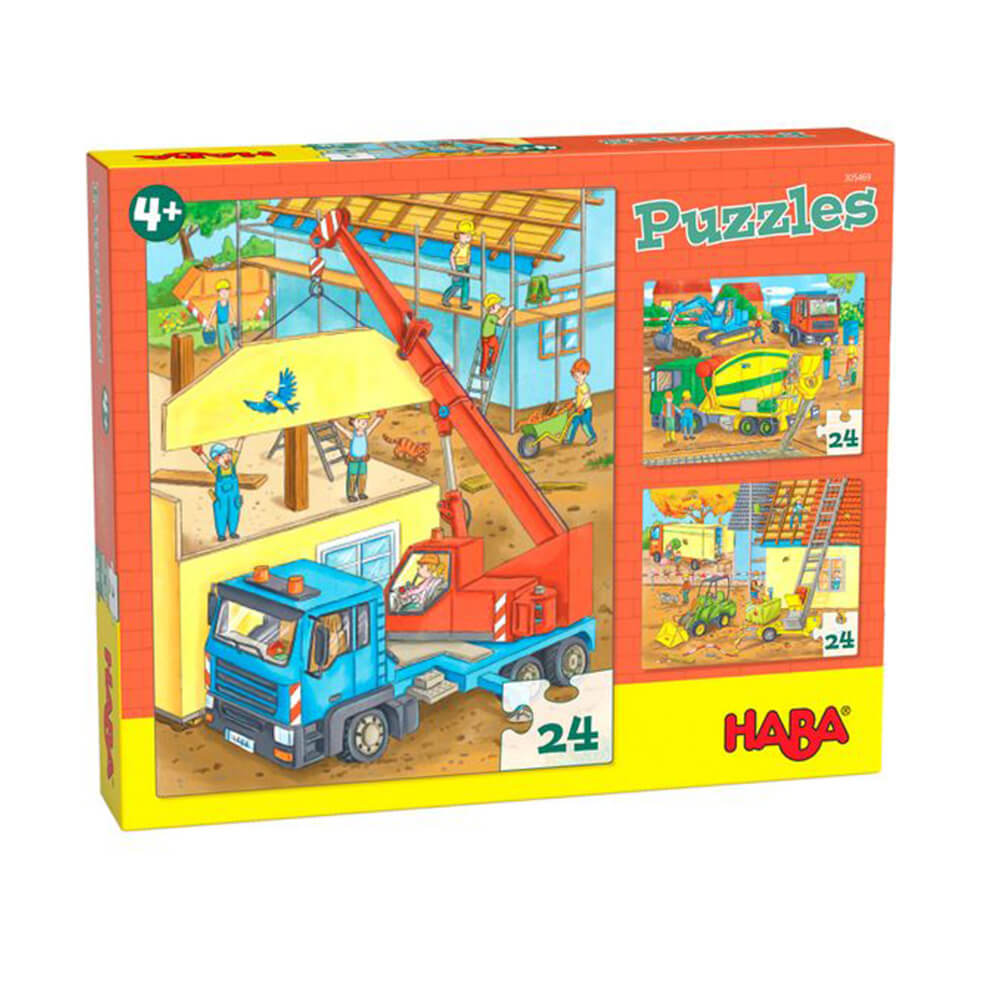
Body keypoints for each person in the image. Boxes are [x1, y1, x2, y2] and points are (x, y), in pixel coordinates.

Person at [193, 438, 245, 542]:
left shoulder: (233, 464)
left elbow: (237, 450)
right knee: (221, 513)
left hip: (233, 496)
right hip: (221, 499)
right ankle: (221, 534)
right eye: (224, 455)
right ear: (217, 459)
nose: (228, 457)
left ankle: (233, 532)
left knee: (234, 511)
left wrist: (241, 439)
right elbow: (207, 462)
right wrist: (200, 453)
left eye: (228, 454)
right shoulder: (216, 469)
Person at [333, 411, 385, 502]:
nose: (362, 424)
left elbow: (373, 425)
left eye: (365, 421)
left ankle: (361, 493)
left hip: (363, 459)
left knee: (362, 476)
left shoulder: (366, 433)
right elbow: (343, 430)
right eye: (359, 421)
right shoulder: (352, 435)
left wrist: (379, 418)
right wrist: (335, 423)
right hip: (354, 459)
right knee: (352, 477)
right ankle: (351, 494)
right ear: (353, 422)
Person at [442, 220, 475, 309]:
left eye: (469, 235)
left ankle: (464, 303)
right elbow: (452, 257)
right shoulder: (457, 246)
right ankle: (446, 298)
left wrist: (468, 264)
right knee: (456, 285)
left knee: (466, 286)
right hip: (458, 267)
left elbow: (468, 255)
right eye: (465, 235)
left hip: (465, 267)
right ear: (458, 235)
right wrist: (454, 269)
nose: (468, 237)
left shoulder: (467, 246)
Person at [565, 357, 598, 445]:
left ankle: (592, 437)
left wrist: (582, 405)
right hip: (578, 409)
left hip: (586, 410)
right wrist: (572, 402)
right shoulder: (578, 387)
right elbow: (578, 397)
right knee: (573, 423)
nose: (576, 379)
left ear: (584, 374)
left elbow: (586, 396)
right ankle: (569, 439)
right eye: (574, 377)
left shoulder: (584, 386)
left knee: (585, 424)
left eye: (577, 377)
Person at [479, 293, 514, 375]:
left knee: (485, 355)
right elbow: (500, 323)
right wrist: (508, 312)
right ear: (493, 307)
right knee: (497, 348)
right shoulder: (492, 317)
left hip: (484, 339)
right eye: (498, 304)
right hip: (490, 338)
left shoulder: (488, 316)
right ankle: (491, 362)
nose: (500, 306)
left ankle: (483, 371)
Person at [207, 279, 237, 358]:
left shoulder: (228, 304)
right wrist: (208, 324)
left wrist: (234, 321)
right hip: (220, 325)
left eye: (226, 291)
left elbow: (231, 313)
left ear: (228, 292)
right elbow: (212, 314)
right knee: (221, 340)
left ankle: (233, 350)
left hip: (227, 324)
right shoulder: (217, 304)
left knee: (230, 337)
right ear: (219, 293)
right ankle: (222, 354)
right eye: (221, 292)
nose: (224, 293)